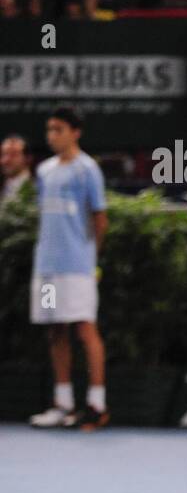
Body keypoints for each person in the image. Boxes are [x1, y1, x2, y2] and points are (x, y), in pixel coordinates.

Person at [27, 105, 110, 430]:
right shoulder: (45, 171)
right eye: (49, 130)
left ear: (75, 132)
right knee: (55, 328)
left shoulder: (87, 170)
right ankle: (63, 404)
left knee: (84, 329)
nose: (52, 136)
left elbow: (99, 219)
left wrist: (91, 256)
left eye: (58, 129)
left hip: (77, 268)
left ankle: (96, 404)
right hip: (46, 268)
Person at [1, 132, 34, 202]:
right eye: (3, 154)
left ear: (28, 158)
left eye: (13, 155)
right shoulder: (2, 186)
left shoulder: (38, 189)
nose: (6, 160)